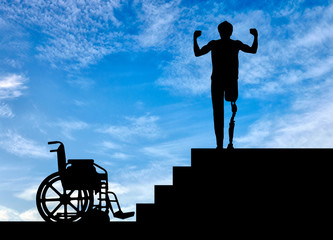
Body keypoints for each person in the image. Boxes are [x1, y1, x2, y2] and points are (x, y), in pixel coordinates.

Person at [193, 21, 258, 149]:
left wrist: (194, 39)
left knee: (219, 113)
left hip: (222, 81)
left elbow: (198, 52)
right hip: (223, 81)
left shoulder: (223, 44)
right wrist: (255, 36)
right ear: (229, 32)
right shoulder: (231, 44)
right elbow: (253, 50)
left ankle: (221, 145)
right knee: (219, 113)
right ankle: (220, 145)